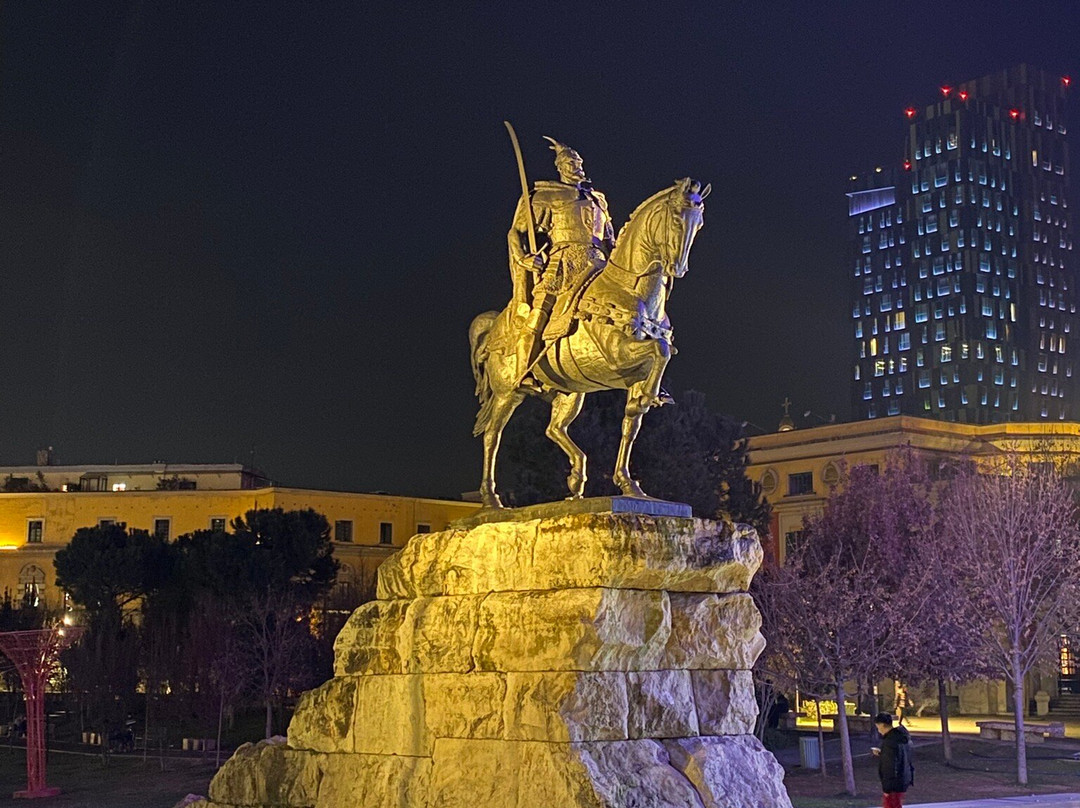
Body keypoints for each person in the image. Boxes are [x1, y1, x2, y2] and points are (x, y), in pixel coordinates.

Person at [507, 136, 615, 385]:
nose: (577, 168)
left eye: (578, 163)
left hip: (598, 264)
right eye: (570, 164)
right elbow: (517, 231)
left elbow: (609, 238)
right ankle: (524, 370)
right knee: (540, 311)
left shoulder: (598, 199)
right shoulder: (546, 196)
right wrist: (523, 257)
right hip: (564, 263)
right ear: (560, 168)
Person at [872, 712, 914, 808]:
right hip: (902, 779)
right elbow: (900, 757)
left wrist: (887, 789)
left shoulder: (889, 742)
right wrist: (882, 753)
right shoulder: (901, 738)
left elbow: (890, 766)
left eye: (878, 727)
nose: (878, 731)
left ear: (882, 725)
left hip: (893, 785)